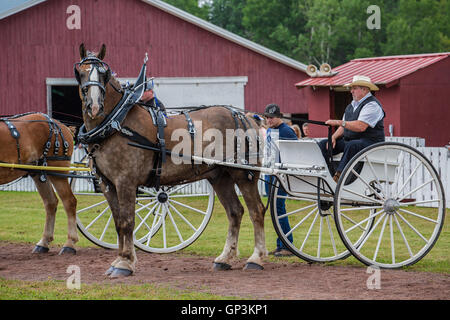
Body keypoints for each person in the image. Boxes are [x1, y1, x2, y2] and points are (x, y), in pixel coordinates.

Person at [318, 75, 385, 182]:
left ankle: (339, 177)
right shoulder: (351, 106)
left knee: (352, 145)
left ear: (364, 89)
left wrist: (338, 122)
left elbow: (361, 126)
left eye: (354, 88)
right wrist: (333, 137)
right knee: (323, 144)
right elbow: (343, 127)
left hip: (371, 142)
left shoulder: (372, 105)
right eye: (351, 88)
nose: (351, 91)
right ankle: (327, 175)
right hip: (352, 141)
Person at [263, 103, 297, 257]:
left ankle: (287, 244)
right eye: (267, 117)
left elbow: (295, 153)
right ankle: (280, 244)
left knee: (279, 209)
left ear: (279, 117)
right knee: (275, 210)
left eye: (271, 117)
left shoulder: (287, 131)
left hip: (281, 175)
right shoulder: (271, 130)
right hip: (270, 172)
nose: (269, 120)